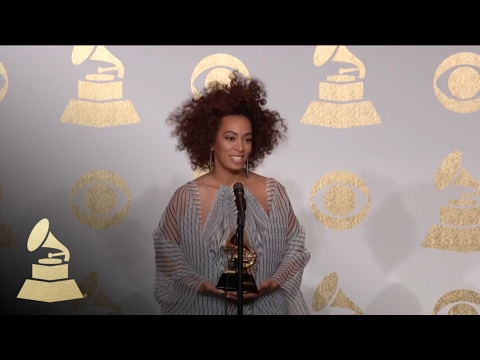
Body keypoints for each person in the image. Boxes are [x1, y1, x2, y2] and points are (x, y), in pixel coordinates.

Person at [153, 70, 310, 315]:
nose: (240, 147)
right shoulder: (186, 198)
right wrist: (201, 285)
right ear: (210, 141)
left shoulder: (274, 193)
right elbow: (166, 253)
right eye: (230, 138)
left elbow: (295, 247)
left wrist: (273, 282)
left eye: (247, 139)